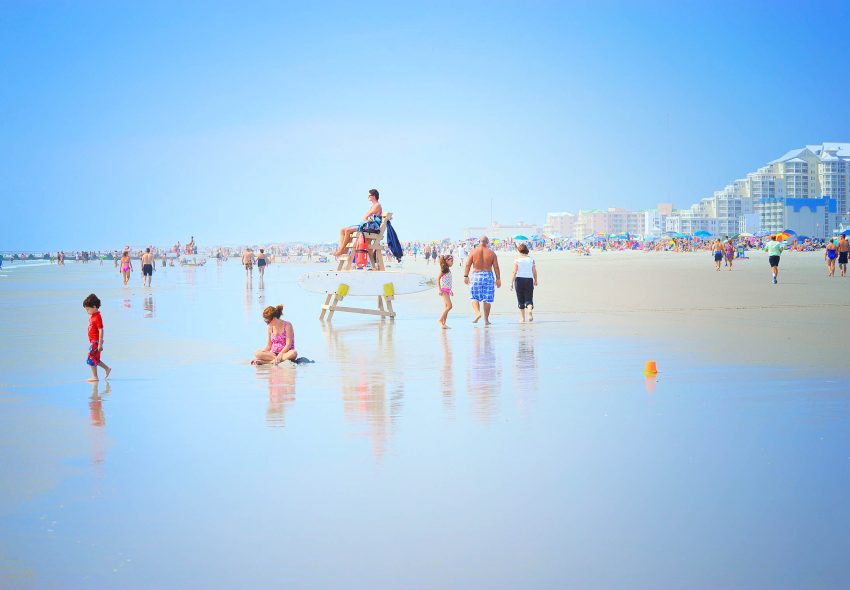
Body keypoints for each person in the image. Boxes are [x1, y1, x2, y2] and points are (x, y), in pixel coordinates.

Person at [332, 189, 383, 257]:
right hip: (367, 225)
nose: (368, 197)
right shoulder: (373, 205)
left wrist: (366, 217)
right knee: (342, 230)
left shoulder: (377, 205)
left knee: (348, 230)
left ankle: (341, 250)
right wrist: (366, 218)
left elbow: (366, 216)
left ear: (373, 196)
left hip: (371, 227)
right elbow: (366, 217)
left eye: (369, 196)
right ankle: (344, 249)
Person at [463, 235, 501, 325]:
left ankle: (477, 313)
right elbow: (496, 267)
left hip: (476, 276)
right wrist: (498, 279)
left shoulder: (473, 251)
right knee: (487, 299)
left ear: (479, 242)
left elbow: (468, 264)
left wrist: (465, 276)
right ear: (487, 243)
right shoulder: (492, 253)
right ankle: (486, 320)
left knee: (474, 297)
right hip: (488, 276)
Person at [83, 294, 111, 382]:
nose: (87, 311)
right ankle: (106, 368)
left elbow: (101, 330)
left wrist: (99, 343)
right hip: (93, 341)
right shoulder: (93, 316)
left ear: (94, 307)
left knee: (91, 357)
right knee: (95, 358)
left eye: (88, 309)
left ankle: (95, 376)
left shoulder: (97, 317)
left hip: (96, 342)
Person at [510, 243, 538, 322]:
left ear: (519, 251)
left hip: (519, 280)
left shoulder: (517, 260)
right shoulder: (531, 260)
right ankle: (529, 310)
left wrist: (511, 282)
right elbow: (534, 271)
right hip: (529, 280)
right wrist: (535, 280)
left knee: (520, 299)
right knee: (529, 298)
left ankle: (522, 319)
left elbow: (514, 272)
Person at [437, 254, 454, 329]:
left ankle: (444, 324)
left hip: (447, 290)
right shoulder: (444, 270)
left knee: (446, 307)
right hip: (444, 291)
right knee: (450, 306)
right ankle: (440, 320)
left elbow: (448, 281)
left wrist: (450, 290)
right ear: (447, 261)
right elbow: (438, 279)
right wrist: (439, 289)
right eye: (451, 261)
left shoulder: (448, 269)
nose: (452, 262)